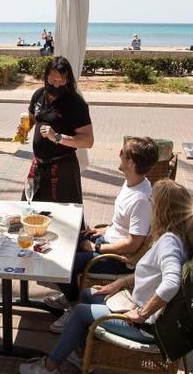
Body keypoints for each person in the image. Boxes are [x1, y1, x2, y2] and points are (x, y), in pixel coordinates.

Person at [19, 180, 193, 374]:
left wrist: (141, 313)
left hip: (147, 326)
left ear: (163, 209)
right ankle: (84, 356)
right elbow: (153, 274)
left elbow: (171, 283)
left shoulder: (168, 243)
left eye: (152, 201)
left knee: (80, 312)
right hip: (139, 306)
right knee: (88, 295)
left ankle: (50, 368)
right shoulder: (178, 236)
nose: (149, 204)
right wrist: (120, 283)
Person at [43, 137, 159, 332]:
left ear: (130, 162)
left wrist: (97, 247)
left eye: (123, 152)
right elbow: (123, 224)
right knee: (57, 242)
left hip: (119, 258)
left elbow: (133, 244)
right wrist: (103, 230)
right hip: (107, 239)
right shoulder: (132, 182)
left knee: (61, 263)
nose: (119, 154)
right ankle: (71, 296)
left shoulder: (141, 199)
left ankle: (73, 305)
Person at [26, 56, 93, 203]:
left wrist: (57, 137)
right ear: (46, 77)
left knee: (63, 218)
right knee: (31, 213)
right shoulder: (38, 95)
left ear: (67, 79)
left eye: (60, 81)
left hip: (63, 170)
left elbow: (88, 140)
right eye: (52, 80)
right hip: (39, 166)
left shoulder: (76, 104)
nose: (56, 85)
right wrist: (24, 128)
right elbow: (32, 118)